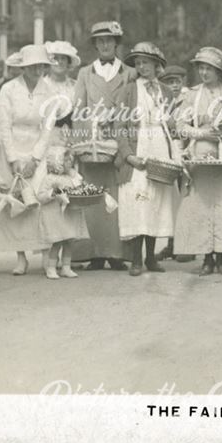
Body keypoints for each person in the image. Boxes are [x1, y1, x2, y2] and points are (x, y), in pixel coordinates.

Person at [114, 42, 181, 277]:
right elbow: (119, 126)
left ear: (156, 64)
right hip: (138, 150)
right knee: (137, 203)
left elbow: (172, 124)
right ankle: (135, 259)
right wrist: (128, 155)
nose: (142, 67)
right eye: (138, 63)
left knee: (155, 204)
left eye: (146, 62)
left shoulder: (165, 91)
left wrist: (173, 124)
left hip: (159, 152)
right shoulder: (129, 90)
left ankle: (151, 257)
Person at [72, 21, 135, 270]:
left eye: (109, 40)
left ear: (116, 43)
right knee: (93, 195)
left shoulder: (129, 73)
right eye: (100, 41)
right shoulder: (85, 74)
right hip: (93, 143)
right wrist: (91, 128)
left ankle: (117, 253)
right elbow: (78, 109)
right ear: (95, 45)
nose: (105, 44)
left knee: (119, 194)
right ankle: (96, 252)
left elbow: (134, 107)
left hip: (120, 140)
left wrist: (120, 125)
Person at [174, 47, 222, 275]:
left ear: (219, 71)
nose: (203, 72)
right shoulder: (192, 94)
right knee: (200, 205)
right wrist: (201, 134)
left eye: (208, 68)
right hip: (200, 153)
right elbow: (180, 127)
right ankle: (206, 257)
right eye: (201, 68)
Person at [0, 45, 55, 275]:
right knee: (15, 202)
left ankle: (47, 257)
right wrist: (13, 159)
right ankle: (21, 257)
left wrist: (36, 159)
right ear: (23, 67)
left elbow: (48, 128)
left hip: (36, 149)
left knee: (41, 199)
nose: (37, 69)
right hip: (12, 150)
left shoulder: (48, 90)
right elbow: (3, 125)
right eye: (32, 66)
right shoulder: (8, 89)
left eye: (41, 65)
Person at [41, 40, 87, 278]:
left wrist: (75, 140)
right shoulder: (42, 85)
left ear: (70, 64)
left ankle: (66, 260)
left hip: (68, 139)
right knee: (49, 194)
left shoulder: (75, 86)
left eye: (64, 59)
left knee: (69, 191)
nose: (59, 62)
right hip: (46, 140)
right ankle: (47, 257)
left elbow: (79, 116)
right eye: (55, 58)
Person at [154, 64, 195, 264]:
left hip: (186, 151)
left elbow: (190, 126)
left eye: (178, 81)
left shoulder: (189, 101)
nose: (175, 86)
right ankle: (171, 244)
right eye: (170, 82)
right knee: (171, 200)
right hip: (168, 153)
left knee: (186, 198)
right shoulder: (161, 101)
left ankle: (188, 245)